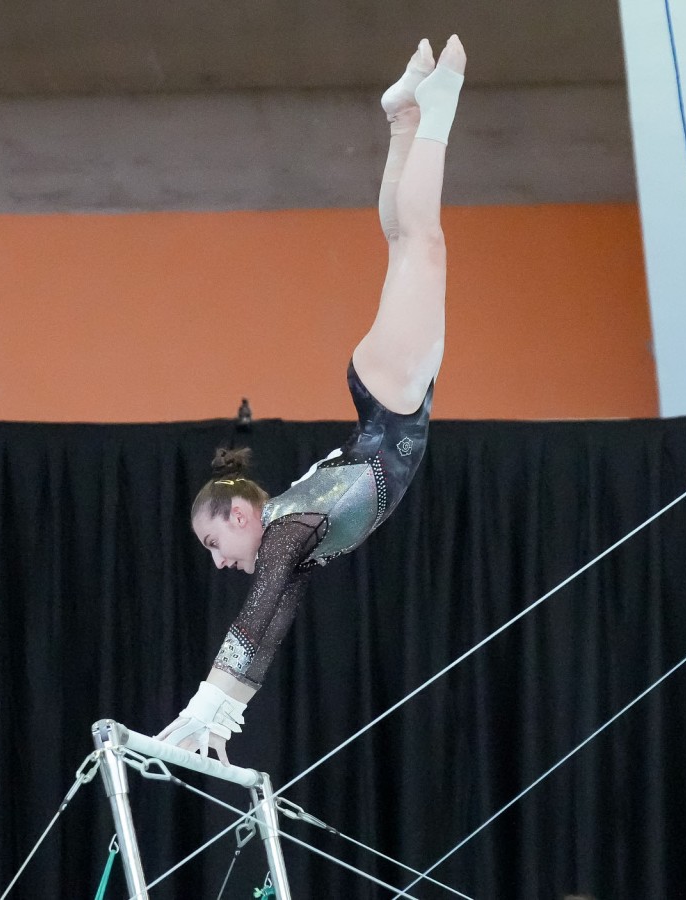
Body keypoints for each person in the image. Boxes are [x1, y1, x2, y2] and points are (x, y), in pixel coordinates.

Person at [157, 35, 467, 764]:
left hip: (391, 404)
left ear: (240, 515)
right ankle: (402, 116)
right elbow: (272, 621)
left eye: (214, 543)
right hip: (387, 400)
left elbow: (256, 616)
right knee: (407, 244)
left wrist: (204, 709)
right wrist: (221, 717)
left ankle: (437, 106)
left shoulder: (286, 531)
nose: (218, 562)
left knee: (423, 243)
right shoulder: (290, 541)